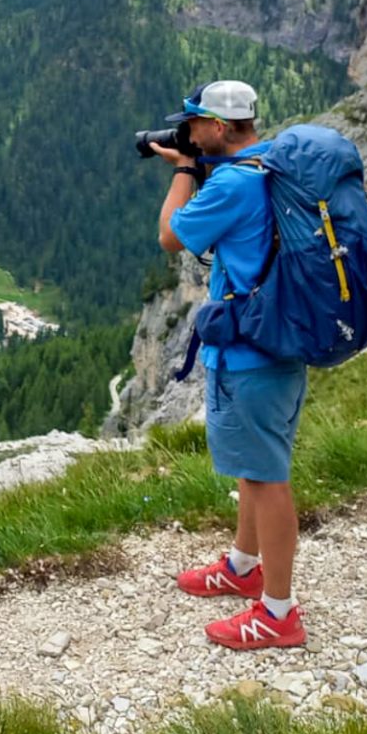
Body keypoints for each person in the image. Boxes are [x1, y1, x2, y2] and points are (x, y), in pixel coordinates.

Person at [152, 80, 308, 650]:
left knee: (267, 479)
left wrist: (185, 171)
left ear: (218, 128)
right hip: (278, 345)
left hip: (250, 355)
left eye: (194, 123)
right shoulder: (271, 167)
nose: (188, 132)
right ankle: (245, 566)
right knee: (254, 467)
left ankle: (278, 613)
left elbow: (171, 236)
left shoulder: (231, 185)